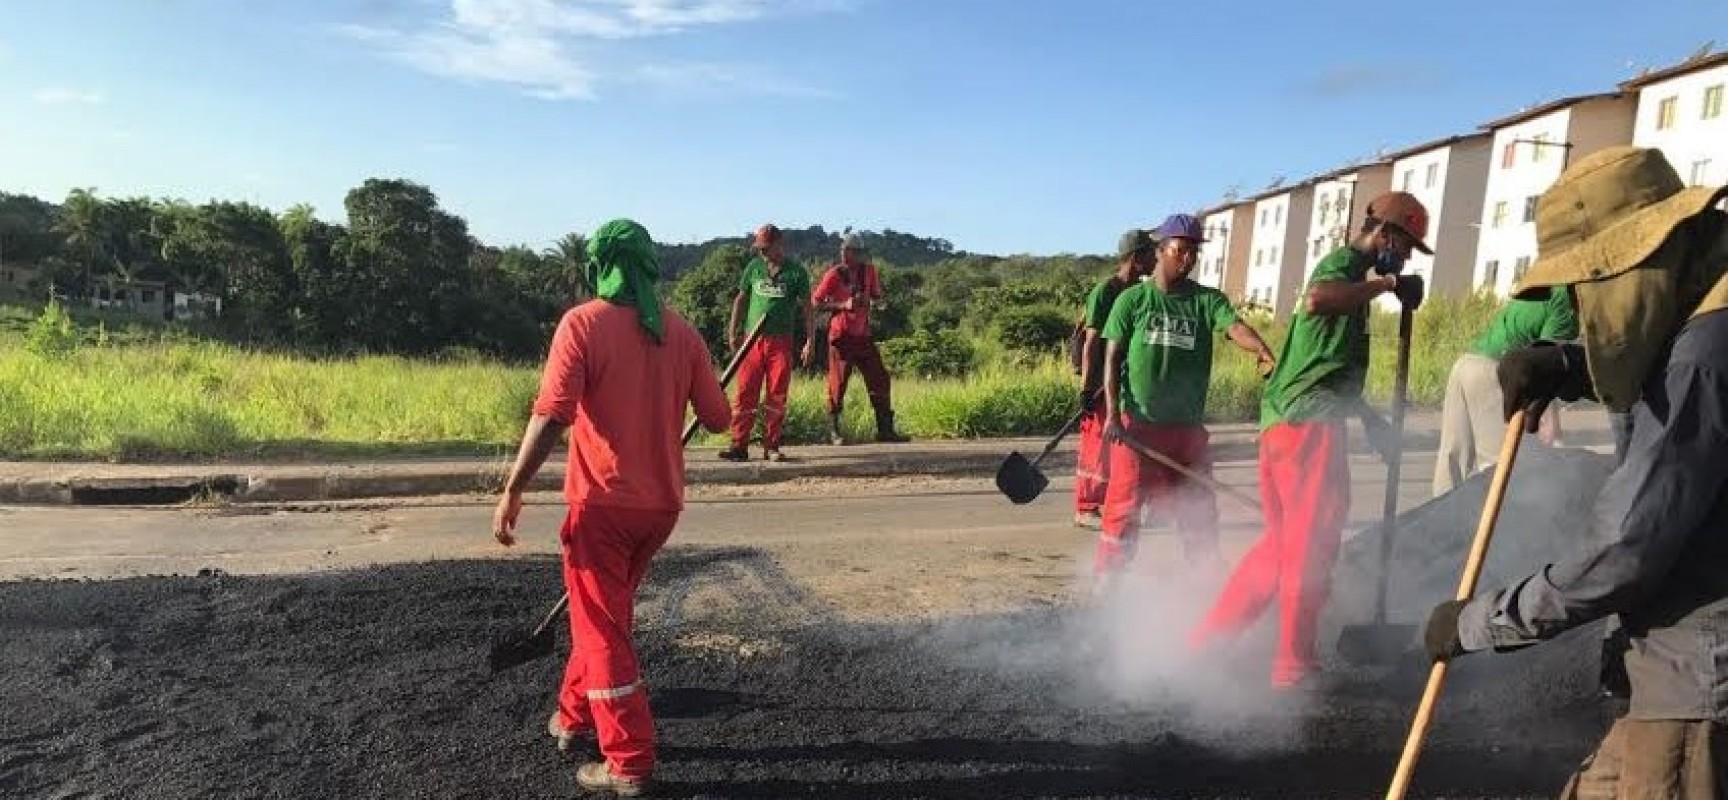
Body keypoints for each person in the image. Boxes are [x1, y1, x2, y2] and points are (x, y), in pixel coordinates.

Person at [1423, 147, 1728, 798]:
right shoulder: (1704, 287)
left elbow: (1624, 552)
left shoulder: (1705, 357)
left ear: (1633, 259)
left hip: (1700, 676)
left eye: (1588, 282)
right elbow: (1654, 338)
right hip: (1672, 659)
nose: (1579, 300)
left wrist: (1477, 622)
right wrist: (1568, 366)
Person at [492, 219, 731, 797]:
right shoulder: (682, 332)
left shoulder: (583, 323)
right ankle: (574, 718)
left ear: (600, 267)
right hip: (660, 508)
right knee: (601, 617)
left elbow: (552, 413)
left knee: (602, 631)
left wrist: (514, 486)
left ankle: (628, 759)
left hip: (602, 505)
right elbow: (721, 418)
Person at [1188, 192, 1429, 690]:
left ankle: (1208, 644)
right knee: (1310, 545)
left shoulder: (1351, 278)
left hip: (1288, 420)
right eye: (1404, 247)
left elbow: (1318, 362)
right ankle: (1294, 666)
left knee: (1281, 547)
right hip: (1307, 428)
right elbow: (1320, 300)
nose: (1404, 258)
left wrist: (1368, 419)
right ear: (1386, 235)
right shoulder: (1344, 267)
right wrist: (1389, 284)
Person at [1094, 214, 1276, 578]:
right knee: (1123, 510)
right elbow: (1112, 358)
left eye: (1194, 252)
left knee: (1200, 510)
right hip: (1137, 428)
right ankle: (1107, 585)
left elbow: (1234, 327)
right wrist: (1113, 415)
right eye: (1181, 250)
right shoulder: (1133, 301)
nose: (1188, 259)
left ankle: (1206, 580)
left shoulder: (1206, 301)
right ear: (1161, 251)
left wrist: (1262, 350)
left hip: (1186, 430)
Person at [1431, 288, 1579, 497]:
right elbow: (1548, 363)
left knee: (1452, 459)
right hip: (1495, 372)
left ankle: (1439, 522)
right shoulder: (1566, 301)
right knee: (1499, 467)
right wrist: (1550, 420)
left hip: (1465, 365)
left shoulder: (1541, 287)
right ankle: (1497, 528)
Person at [1070, 228, 1158, 529]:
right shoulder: (1106, 291)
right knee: (1098, 445)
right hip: (1100, 381)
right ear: (1136, 257)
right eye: (1151, 254)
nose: (1156, 260)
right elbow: (1092, 342)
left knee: (1124, 443)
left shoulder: (1141, 292)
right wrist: (1087, 388)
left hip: (1126, 379)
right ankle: (1086, 507)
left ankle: (1115, 502)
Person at [723, 223, 814, 462]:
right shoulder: (753, 268)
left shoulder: (796, 272)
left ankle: (771, 446)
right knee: (745, 392)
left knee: (776, 393)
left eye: (766, 247)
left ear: (779, 244)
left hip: (781, 342)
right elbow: (741, 300)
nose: (762, 252)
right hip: (752, 341)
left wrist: (810, 341)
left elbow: (807, 309)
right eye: (759, 248)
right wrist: (733, 332)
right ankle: (738, 445)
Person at [811, 232, 909, 445]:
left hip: (863, 335)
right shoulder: (834, 274)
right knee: (838, 383)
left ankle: (885, 430)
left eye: (855, 252)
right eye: (847, 251)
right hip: (841, 337)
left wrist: (877, 302)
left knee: (880, 378)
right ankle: (834, 432)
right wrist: (842, 305)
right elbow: (816, 302)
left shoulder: (869, 272)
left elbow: (876, 296)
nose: (850, 255)